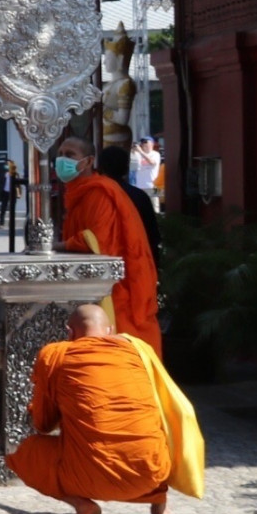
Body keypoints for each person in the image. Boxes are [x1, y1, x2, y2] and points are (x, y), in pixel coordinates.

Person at [7, 304, 195, 514]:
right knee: (148, 433)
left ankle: (84, 507)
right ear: (110, 330)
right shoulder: (139, 351)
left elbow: (43, 424)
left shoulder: (56, 354)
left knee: (22, 453)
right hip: (150, 475)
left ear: (70, 332)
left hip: (89, 477)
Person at [56, 135, 161, 355]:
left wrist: (59, 246)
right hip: (89, 282)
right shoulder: (80, 191)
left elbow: (98, 240)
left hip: (115, 285)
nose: (62, 160)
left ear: (88, 161)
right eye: (60, 155)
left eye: (70, 155)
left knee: (121, 345)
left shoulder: (100, 192)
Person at [98, 144, 161, 264]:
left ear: (100, 168)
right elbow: (152, 236)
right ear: (126, 168)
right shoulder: (139, 196)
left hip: (102, 264)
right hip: (136, 262)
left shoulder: (94, 196)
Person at [131, 137, 162, 202]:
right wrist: (133, 150)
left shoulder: (156, 154)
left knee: (154, 207)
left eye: (146, 142)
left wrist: (140, 151)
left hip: (152, 186)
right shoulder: (138, 154)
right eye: (142, 142)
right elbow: (131, 164)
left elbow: (152, 162)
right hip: (139, 186)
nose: (143, 144)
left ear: (152, 144)